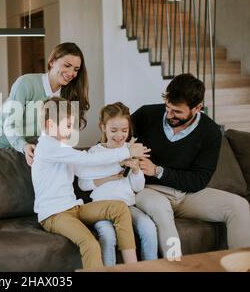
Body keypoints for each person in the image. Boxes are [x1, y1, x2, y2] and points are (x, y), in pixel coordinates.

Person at [132, 73, 250, 259]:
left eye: (177, 112)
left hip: (188, 195)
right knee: (162, 212)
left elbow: (198, 181)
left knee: (239, 205)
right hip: (150, 190)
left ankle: (243, 266)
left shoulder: (210, 132)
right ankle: (176, 267)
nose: (169, 114)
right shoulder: (147, 115)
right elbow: (110, 139)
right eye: (168, 108)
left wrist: (157, 170)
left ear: (197, 108)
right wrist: (128, 153)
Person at [32, 97, 151, 269]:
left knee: (119, 208)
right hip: (54, 215)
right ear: (50, 125)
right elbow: (87, 160)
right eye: (67, 126)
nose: (72, 131)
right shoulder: (48, 147)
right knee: (90, 244)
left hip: (73, 207)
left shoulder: (63, 148)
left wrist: (120, 164)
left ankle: (132, 267)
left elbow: (83, 170)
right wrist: (126, 151)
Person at [0, 42, 90, 166]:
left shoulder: (67, 97)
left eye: (76, 69)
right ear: (52, 61)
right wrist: (23, 146)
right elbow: (11, 123)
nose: (71, 73)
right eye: (67, 65)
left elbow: (60, 134)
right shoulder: (26, 83)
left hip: (17, 149)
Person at [75, 102, 158, 266]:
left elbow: (138, 187)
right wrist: (111, 176)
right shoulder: (95, 153)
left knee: (148, 227)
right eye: (113, 130)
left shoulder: (131, 150)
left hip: (127, 206)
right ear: (103, 127)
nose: (119, 135)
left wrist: (135, 171)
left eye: (124, 131)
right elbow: (83, 185)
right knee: (107, 236)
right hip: (102, 208)